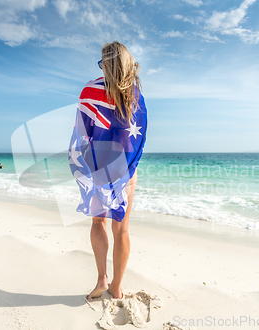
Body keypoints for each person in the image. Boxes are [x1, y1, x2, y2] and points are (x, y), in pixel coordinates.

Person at [68, 41, 147, 300]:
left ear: (106, 63)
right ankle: (116, 287)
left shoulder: (89, 90)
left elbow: (82, 134)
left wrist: (83, 167)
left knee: (98, 222)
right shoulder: (136, 95)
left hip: (98, 167)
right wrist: (127, 168)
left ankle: (101, 278)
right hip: (125, 170)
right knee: (121, 230)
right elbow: (138, 137)